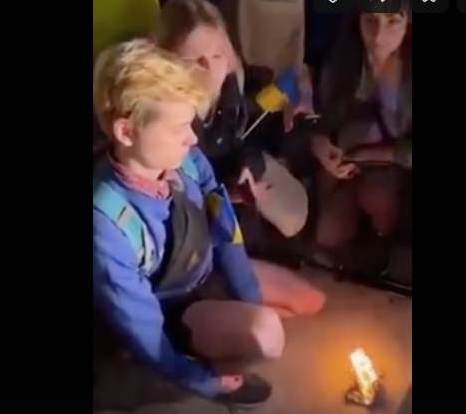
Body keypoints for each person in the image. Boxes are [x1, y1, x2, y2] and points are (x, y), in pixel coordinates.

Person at [93, 39, 325, 406]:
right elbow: (143, 326)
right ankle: (192, 368)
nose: (192, 138)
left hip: (204, 269)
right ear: (126, 132)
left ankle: (220, 340)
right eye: (178, 128)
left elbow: (224, 231)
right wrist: (202, 381)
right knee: (267, 335)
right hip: (168, 309)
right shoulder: (106, 222)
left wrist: (247, 295)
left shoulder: (187, 159)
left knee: (311, 301)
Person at [154, 0, 317, 260]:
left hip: (227, 173)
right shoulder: (164, 113)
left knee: (293, 214)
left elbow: (240, 138)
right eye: (195, 60)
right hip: (187, 200)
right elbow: (173, 190)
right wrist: (224, 195)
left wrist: (247, 168)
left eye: (217, 55)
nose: (211, 70)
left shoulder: (231, 85)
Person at [309, 2, 412, 274]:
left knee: (379, 196)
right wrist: (320, 145)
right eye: (370, 20)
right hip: (344, 161)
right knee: (327, 237)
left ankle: (382, 250)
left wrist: (367, 156)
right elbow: (322, 120)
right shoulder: (342, 60)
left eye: (392, 21)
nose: (379, 35)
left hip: (393, 160)